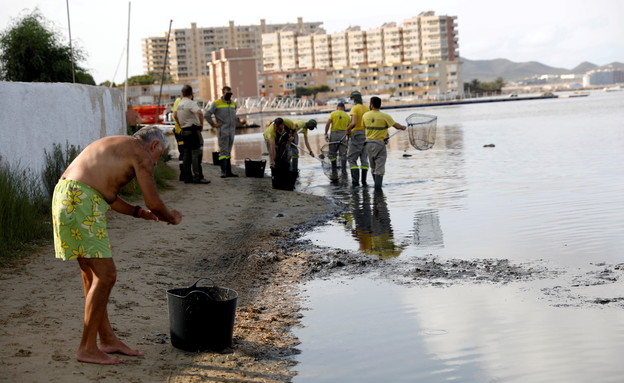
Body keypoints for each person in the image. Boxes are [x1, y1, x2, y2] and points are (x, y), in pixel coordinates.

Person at [51, 126, 183, 365]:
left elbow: (107, 196)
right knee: (106, 275)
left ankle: (107, 339)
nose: (154, 164)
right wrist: (169, 217)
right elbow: (154, 201)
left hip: (67, 194)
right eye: (159, 157)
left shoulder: (119, 146)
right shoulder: (140, 151)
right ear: (154, 146)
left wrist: (139, 213)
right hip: (81, 200)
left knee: (92, 275)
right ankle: (87, 348)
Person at [362, 96, 407, 190]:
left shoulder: (365, 115)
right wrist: (403, 127)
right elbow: (396, 126)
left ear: (371, 104)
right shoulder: (385, 116)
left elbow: (364, 128)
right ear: (380, 105)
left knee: (373, 167)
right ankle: (378, 191)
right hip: (379, 144)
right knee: (380, 168)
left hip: (368, 144)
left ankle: (376, 187)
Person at [174, 85, 209, 184]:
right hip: (193, 131)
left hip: (184, 131)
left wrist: (180, 124)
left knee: (186, 154)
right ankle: (198, 176)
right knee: (196, 154)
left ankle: (187, 177)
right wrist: (201, 125)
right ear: (191, 94)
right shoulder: (190, 103)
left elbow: (175, 115)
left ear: (183, 94)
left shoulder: (180, 104)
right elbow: (200, 113)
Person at [205, 86, 238, 178]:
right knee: (223, 152)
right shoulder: (216, 103)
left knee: (228, 152)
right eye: (228, 93)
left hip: (231, 131)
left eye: (231, 93)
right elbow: (207, 114)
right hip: (222, 131)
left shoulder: (233, 103)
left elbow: (234, 113)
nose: (229, 95)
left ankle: (229, 172)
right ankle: (223, 172)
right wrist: (213, 124)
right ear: (223, 93)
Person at [346, 90, 370, 187]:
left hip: (357, 134)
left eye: (351, 99)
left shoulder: (355, 108)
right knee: (364, 158)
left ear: (354, 99)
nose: (350, 100)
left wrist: (347, 129)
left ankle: (355, 184)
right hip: (366, 134)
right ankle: (364, 182)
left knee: (352, 159)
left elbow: (354, 123)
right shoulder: (367, 109)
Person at [324, 102, 349, 175]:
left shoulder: (333, 114)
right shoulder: (347, 116)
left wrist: (325, 133)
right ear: (344, 108)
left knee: (332, 153)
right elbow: (349, 128)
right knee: (343, 153)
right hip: (343, 134)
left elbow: (328, 124)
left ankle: (333, 169)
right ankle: (344, 170)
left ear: (337, 107)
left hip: (334, 134)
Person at [172, 94, 185, 180]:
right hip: (180, 130)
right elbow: (176, 115)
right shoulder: (180, 101)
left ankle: (183, 173)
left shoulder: (178, 101)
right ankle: (183, 173)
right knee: (183, 151)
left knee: (182, 152)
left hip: (178, 130)